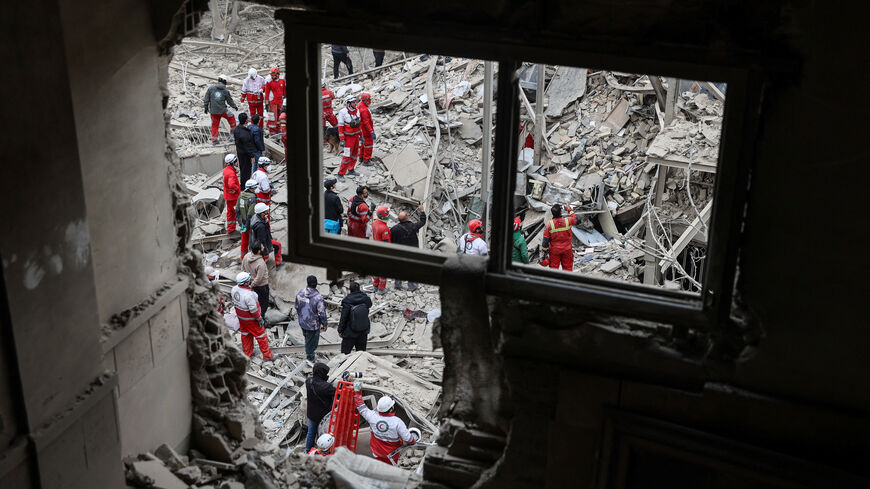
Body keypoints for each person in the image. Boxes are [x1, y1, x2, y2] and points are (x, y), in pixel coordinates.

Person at [353, 382, 420, 464]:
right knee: (388, 468)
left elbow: (361, 406)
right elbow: (409, 439)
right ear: (391, 408)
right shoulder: (397, 422)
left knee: (378, 465)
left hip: (376, 452)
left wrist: (357, 392)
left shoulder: (372, 417)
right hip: (392, 455)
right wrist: (414, 437)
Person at [231, 271, 274, 360]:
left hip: (242, 320)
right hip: (251, 320)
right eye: (249, 279)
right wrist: (259, 319)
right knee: (261, 336)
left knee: (246, 335)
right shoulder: (248, 295)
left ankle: (247, 354)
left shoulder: (234, 289)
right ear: (246, 282)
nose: (250, 280)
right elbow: (253, 310)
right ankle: (267, 356)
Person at [390, 203, 426, 291]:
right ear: (407, 217)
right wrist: (422, 211)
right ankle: (412, 286)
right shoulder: (413, 227)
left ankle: (398, 285)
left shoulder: (393, 229)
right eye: (407, 214)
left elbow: (391, 241)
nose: (409, 214)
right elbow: (423, 221)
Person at [295, 275, 328, 364]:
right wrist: (325, 324)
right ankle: (310, 359)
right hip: (313, 325)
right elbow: (322, 313)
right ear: (316, 284)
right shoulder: (318, 298)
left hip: (302, 322)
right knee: (312, 343)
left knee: (307, 338)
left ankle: (309, 353)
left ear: (307, 283)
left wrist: (302, 316)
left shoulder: (300, 293)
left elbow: (297, 307)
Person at [337, 281, 372, 354]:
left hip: (350, 332)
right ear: (359, 289)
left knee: (344, 354)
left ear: (350, 290)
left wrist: (340, 330)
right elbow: (370, 305)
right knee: (361, 354)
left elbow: (344, 317)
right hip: (363, 331)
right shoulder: (365, 298)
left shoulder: (347, 300)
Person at [203, 74, 238, 144]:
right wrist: (234, 106)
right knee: (232, 118)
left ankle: (214, 140)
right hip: (223, 111)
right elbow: (230, 101)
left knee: (215, 125)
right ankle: (233, 135)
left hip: (213, 112)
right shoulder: (225, 91)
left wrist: (206, 108)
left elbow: (206, 99)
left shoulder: (211, 89)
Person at [542, 204, 577, 271]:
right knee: (568, 268)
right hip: (567, 249)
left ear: (552, 213)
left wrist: (544, 251)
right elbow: (576, 219)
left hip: (554, 251)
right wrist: (569, 209)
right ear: (561, 212)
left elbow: (545, 241)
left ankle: (555, 281)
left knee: (554, 269)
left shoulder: (549, 224)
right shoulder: (567, 221)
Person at [336, 95, 362, 182]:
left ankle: (351, 169)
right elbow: (340, 126)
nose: (355, 104)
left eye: (356, 102)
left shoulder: (357, 111)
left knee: (355, 154)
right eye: (353, 102)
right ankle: (341, 173)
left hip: (356, 137)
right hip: (348, 138)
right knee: (347, 156)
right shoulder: (343, 112)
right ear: (349, 103)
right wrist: (342, 139)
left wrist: (361, 136)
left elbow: (359, 125)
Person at [250, 202, 283, 270]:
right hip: (262, 243)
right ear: (262, 213)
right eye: (266, 210)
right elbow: (262, 240)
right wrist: (265, 251)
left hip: (257, 241)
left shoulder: (255, 217)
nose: (268, 211)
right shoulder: (260, 226)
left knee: (262, 256)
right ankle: (278, 263)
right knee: (278, 245)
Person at [242, 241, 270, 316]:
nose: (263, 247)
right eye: (262, 247)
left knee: (256, 301)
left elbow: (243, 269)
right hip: (261, 286)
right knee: (264, 304)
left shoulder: (246, 256)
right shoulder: (261, 263)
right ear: (259, 251)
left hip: (251, 284)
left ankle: (256, 315)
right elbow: (259, 278)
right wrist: (252, 285)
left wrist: (249, 283)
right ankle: (260, 319)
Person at [232, 113, 257, 186]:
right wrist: (252, 156)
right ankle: (245, 185)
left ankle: (243, 184)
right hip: (245, 154)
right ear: (246, 120)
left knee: (243, 169)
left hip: (240, 152)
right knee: (247, 170)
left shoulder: (237, 129)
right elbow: (247, 146)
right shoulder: (244, 133)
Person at [371, 206, 391, 294]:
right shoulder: (385, 229)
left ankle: (375, 286)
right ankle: (381, 289)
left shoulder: (375, 222)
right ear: (383, 216)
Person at [237, 179, 258, 258]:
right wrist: (247, 225)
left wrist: (241, 224)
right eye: (255, 187)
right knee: (253, 241)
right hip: (250, 223)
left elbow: (237, 210)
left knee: (244, 240)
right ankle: (253, 258)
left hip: (243, 222)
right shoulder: (252, 198)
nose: (256, 189)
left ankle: (243, 257)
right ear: (251, 188)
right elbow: (250, 214)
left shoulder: (241, 195)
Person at [264, 67, 285, 135]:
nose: (272, 77)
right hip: (272, 103)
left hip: (280, 102)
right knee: (272, 118)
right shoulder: (269, 82)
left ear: (277, 74)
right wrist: (267, 104)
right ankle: (272, 132)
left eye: (273, 75)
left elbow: (284, 92)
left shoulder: (282, 81)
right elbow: (266, 94)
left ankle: (278, 130)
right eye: (271, 75)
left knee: (279, 117)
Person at [222, 154, 240, 233]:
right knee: (238, 212)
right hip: (233, 197)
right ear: (232, 163)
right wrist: (237, 188)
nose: (237, 163)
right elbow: (231, 184)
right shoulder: (231, 173)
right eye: (236, 162)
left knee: (231, 213)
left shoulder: (226, 170)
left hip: (228, 196)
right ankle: (244, 228)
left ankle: (230, 229)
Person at [357, 93, 375, 166]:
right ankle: (366, 161)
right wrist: (371, 131)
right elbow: (366, 122)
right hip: (365, 130)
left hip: (361, 129)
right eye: (369, 100)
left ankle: (361, 157)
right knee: (368, 144)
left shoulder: (359, 105)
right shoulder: (364, 110)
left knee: (363, 143)